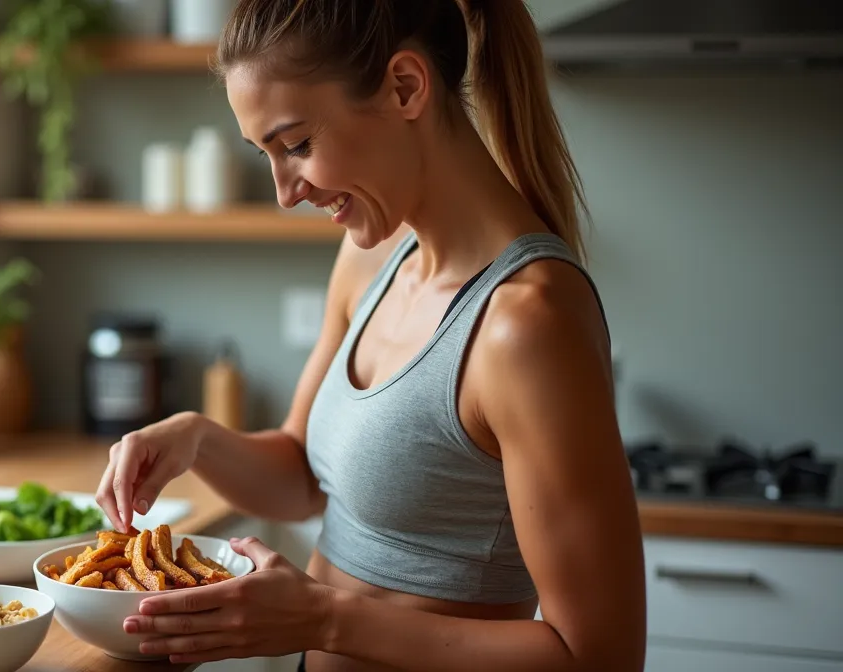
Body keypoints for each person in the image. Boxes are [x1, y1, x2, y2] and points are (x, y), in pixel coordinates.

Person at [93, 0, 647, 670]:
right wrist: (197, 439)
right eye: (266, 153)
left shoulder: (525, 324)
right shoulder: (371, 259)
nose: (285, 192)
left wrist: (325, 618)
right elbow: (303, 475)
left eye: (296, 145)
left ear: (405, 86)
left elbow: (600, 656)